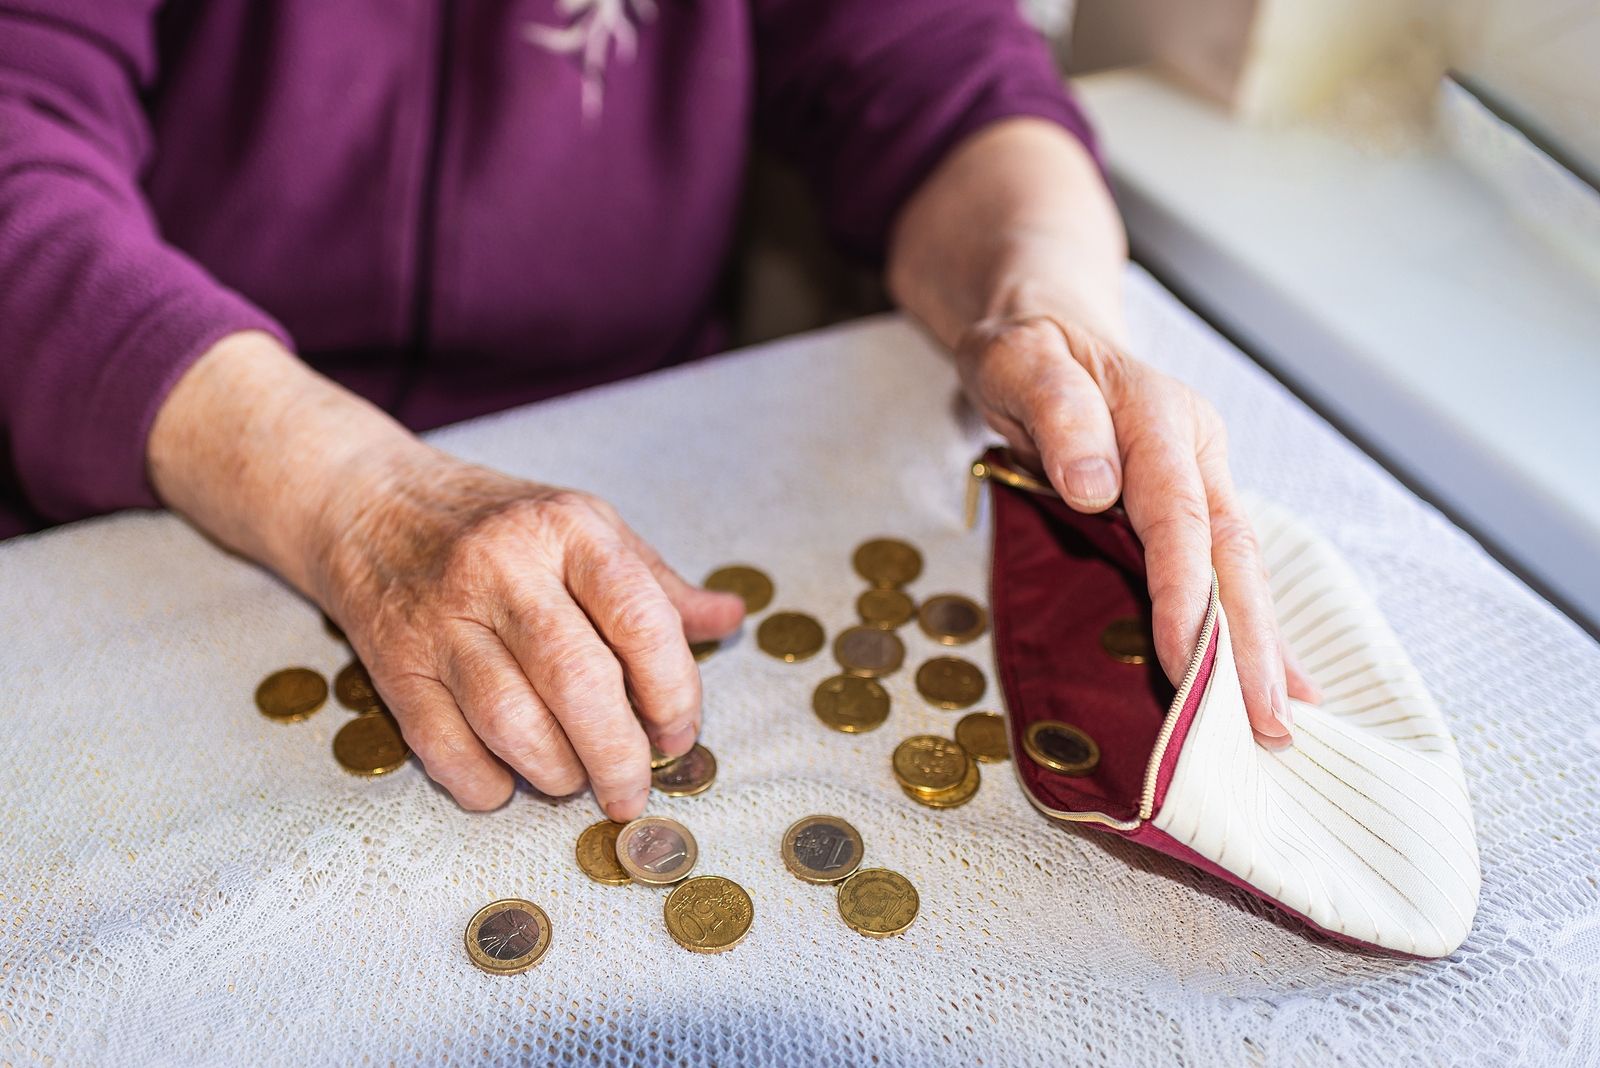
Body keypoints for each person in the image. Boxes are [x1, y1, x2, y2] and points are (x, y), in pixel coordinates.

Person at [0, 1, 1315, 822]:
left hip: (641, 469)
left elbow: (941, 72)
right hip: (186, 454)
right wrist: (359, 493)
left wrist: (1053, 307)